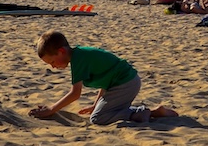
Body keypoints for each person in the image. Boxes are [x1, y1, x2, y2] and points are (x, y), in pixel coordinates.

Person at [28, 30, 177, 125]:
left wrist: (52, 109)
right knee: (98, 113)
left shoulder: (78, 58)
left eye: (52, 62)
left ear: (61, 51)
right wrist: (95, 105)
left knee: (97, 119)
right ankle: (151, 112)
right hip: (121, 83)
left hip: (126, 83)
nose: (53, 67)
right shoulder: (80, 56)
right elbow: (105, 81)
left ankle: (144, 112)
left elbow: (75, 93)